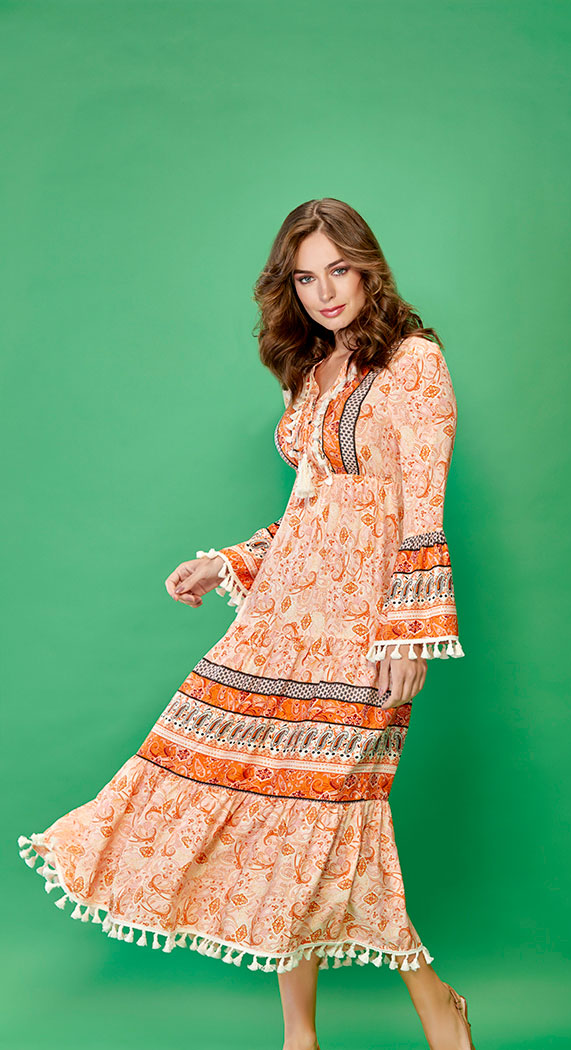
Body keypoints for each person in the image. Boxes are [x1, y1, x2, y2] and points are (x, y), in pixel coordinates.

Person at [17, 198, 476, 1050]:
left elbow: (422, 506)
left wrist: (411, 632)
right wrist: (225, 563)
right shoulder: (312, 371)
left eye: (339, 270)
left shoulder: (413, 362)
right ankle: (299, 1037)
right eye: (305, 278)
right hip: (281, 621)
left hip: (362, 632)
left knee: (332, 815)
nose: (324, 292)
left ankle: (435, 1003)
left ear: (369, 269)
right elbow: (309, 515)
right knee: (266, 812)